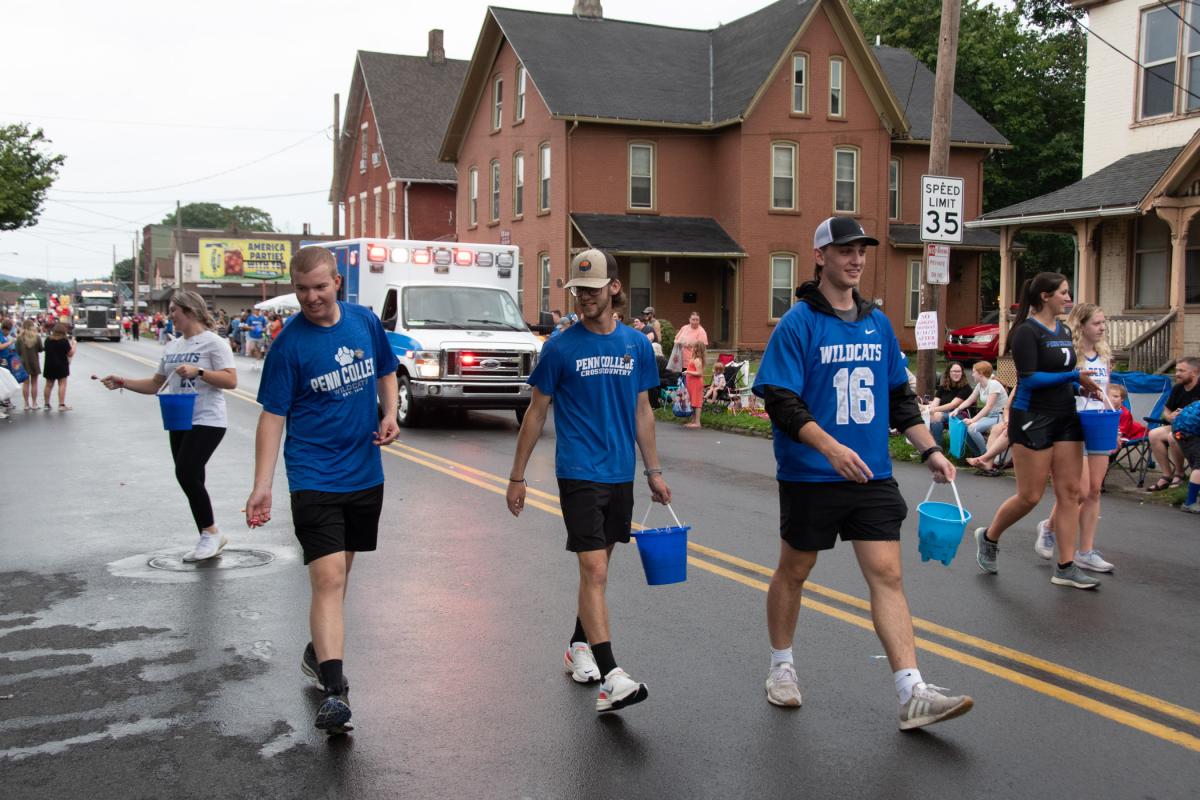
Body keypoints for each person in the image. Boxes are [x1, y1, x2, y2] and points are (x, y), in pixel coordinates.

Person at [754, 216, 973, 730]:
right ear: (820, 256)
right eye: (845, 250)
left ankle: (911, 690)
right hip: (812, 474)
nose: (855, 259)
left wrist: (929, 451)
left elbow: (899, 398)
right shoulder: (799, 323)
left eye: (861, 251)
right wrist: (829, 448)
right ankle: (781, 666)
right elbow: (781, 402)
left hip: (871, 475)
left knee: (888, 576)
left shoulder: (876, 323)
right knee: (795, 570)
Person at [505, 247, 670, 715]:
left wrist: (653, 471)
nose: (584, 299)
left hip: (620, 472)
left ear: (614, 288)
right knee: (593, 569)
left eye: (593, 290)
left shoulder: (636, 345)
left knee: (599, 570)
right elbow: (536, 412)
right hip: (578, 471)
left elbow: (643, 412)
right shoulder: (560, 346)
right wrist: (517, 477)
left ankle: (579, 643)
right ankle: (612, 677)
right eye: (578, 291)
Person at [244, 246, 399, 735]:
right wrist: (262, 486)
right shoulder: (289, 346)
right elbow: (272, 417)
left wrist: (390, 412)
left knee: (342, 572)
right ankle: (336, 692)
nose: (310, 297)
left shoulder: (364, 323)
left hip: (363, 473)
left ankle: (318, 653)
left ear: (338, 283)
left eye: (319, 287)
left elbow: (386, 370)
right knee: (328, 579)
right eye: (301, 289)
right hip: (313, 475)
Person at [973, 272, 1102, 589]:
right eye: (1063, 292)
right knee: (1030, 496)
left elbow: (1061, 373)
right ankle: (989, 537)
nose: (1068, 298)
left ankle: (1066, 566)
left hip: (1065, 416)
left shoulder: (1064, 329)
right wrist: (1074, 375)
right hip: (1032, 417)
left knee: (1070, 492)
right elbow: (1030, 379)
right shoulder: (1025, 332)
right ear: (1045, 296)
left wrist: (1081, 387)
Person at [100, 290, 238, 562]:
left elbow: (231, 380)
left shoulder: (213, 344)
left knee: (185, 472)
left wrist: (198, 372)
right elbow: (155, 384)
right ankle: (207, 535)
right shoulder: (173, 346)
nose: (170, 315)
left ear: (189, 310)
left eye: (174, 309)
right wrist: (122, 382)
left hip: (207, 419)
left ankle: (211, 532)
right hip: (178, 417)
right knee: (192, 477)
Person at [1032, 303, 1115, 572]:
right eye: (1096, 323)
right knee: (1077, 491)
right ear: (1081, 325)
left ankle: (1086, 551)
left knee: (1094, 490)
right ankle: (1048, 527)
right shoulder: (1070, 354)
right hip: (1074, 423)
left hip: (1100, 423)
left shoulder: (1104, 355)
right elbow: (1060, 384)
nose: (1102, 328)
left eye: (1104, 323)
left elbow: (1106, 387)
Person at [1146, 357, 1200, 492]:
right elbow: (1166, 410)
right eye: (1176, 370)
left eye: (1181, 371)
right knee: (1154, 434)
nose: (1177, 374)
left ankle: (1180, 473)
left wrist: (1188, 413)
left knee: (1173, 436)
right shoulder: (1178, 388)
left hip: (1196, 429)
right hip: (1178, 425)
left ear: (1194, 372)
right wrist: (1170, 416)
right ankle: (1167, 475)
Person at [959, 361, 1008, 455]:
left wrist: (973, 420)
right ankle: (978, 455)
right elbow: (969, 401)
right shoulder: (980, 385)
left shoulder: (993, 384)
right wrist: (957, 409)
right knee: (964, 427)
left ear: (981, 373)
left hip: (1000, 417)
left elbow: (988, 407)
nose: (972, 375)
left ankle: (985, 456)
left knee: (972, 428)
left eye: (974, 372)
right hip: (991, 417)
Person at [924, 363, 972, 444]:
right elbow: (935, 404)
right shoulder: (943, 387)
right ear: (949, 373)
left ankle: (935, 446)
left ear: (962, 373)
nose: (956, 374)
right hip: (944, 412)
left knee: (936, 415)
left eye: (959, 371)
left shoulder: (966, 388)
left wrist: (933, 410)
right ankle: (928, 445)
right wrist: (924, 408)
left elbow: (952, 405)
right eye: (954, 371)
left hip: (960, 414)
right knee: (928, 415)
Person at [42, 323, 75, 411]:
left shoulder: (48, 340)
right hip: (61, 365)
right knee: (62, 384)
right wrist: (74, 345)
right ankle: (61, 404)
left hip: (49, 365)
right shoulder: (64, 341)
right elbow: (70, 353)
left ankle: (46, 404)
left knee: (48, 385)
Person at [16, 319, 43, 412]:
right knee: (34, 383)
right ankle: (34, 403)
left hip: (23, 362)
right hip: (34, 362)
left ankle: (26, 404)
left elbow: (18, 351)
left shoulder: (19, 338)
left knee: (26, 383)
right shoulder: (37, 337)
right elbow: (40, 349)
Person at [684, 339, 706, 429]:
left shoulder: (697, 360)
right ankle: (693, 421)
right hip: (691, 383)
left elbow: (699, 373)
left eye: (693, 347)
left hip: (696, 383)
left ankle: (697, 422)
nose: (692, 348)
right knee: (692, 401)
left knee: (697, 402)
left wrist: (688, 372)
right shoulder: (694, 358)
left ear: (697, 349)